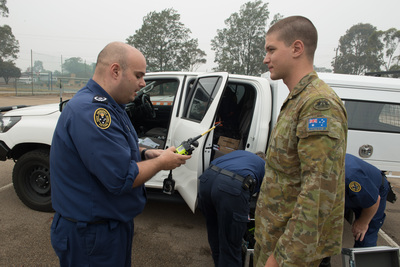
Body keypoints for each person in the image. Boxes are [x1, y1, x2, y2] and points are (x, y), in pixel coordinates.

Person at [49, 42, 190, 267]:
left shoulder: (113, 105)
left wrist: (147, 154)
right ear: (115, 71)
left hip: (108, 227)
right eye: (138, 75)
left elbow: (119, 148)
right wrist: (163, 162)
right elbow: (121, 177)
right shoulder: (92, 112)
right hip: (92, 235)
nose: (143, 83)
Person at [253, 16, 348, 267]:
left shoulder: (318, 105)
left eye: (271, 50)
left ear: (296, 48)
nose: (266, 59)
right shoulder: (297, 100)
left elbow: (317, 192)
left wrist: (282, 257)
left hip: (291, 254)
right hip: (274, 237)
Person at [197, 150, 266, 267]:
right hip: (230, 187)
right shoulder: (264, 166)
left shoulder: (240, 154)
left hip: (206, 180)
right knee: (231, 247)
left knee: (215, 233)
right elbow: (263, 198)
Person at [344, 153, 390, 247]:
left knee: (364, 235)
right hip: (347, 194)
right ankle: (325, 261)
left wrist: (363, 222)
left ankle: (364, 259)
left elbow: (374, 201)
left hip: (372, 193)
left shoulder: (351, 176)